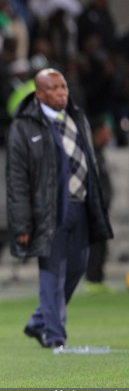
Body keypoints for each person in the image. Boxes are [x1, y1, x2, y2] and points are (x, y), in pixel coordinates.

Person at [6, 68, 113, 349]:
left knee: (77, 268)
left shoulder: (77, 118)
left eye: (63, 86)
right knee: (52, 274)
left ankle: (37, 323)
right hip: (48, 212)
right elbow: (17, 179)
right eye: (54, 88)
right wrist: (22, 224)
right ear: (39, 94)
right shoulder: (24, 126)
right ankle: (55, 338)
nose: (62, 92)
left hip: (79, 206)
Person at [85, 118, 114, 294]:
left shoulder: (99, 153)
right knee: (95, 245)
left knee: (102, 245)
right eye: (106, 130)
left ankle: (98, 278)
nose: (109, 135)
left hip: (102, 210)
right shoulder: (91, 154)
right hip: (93, 209)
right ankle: (92, 280)